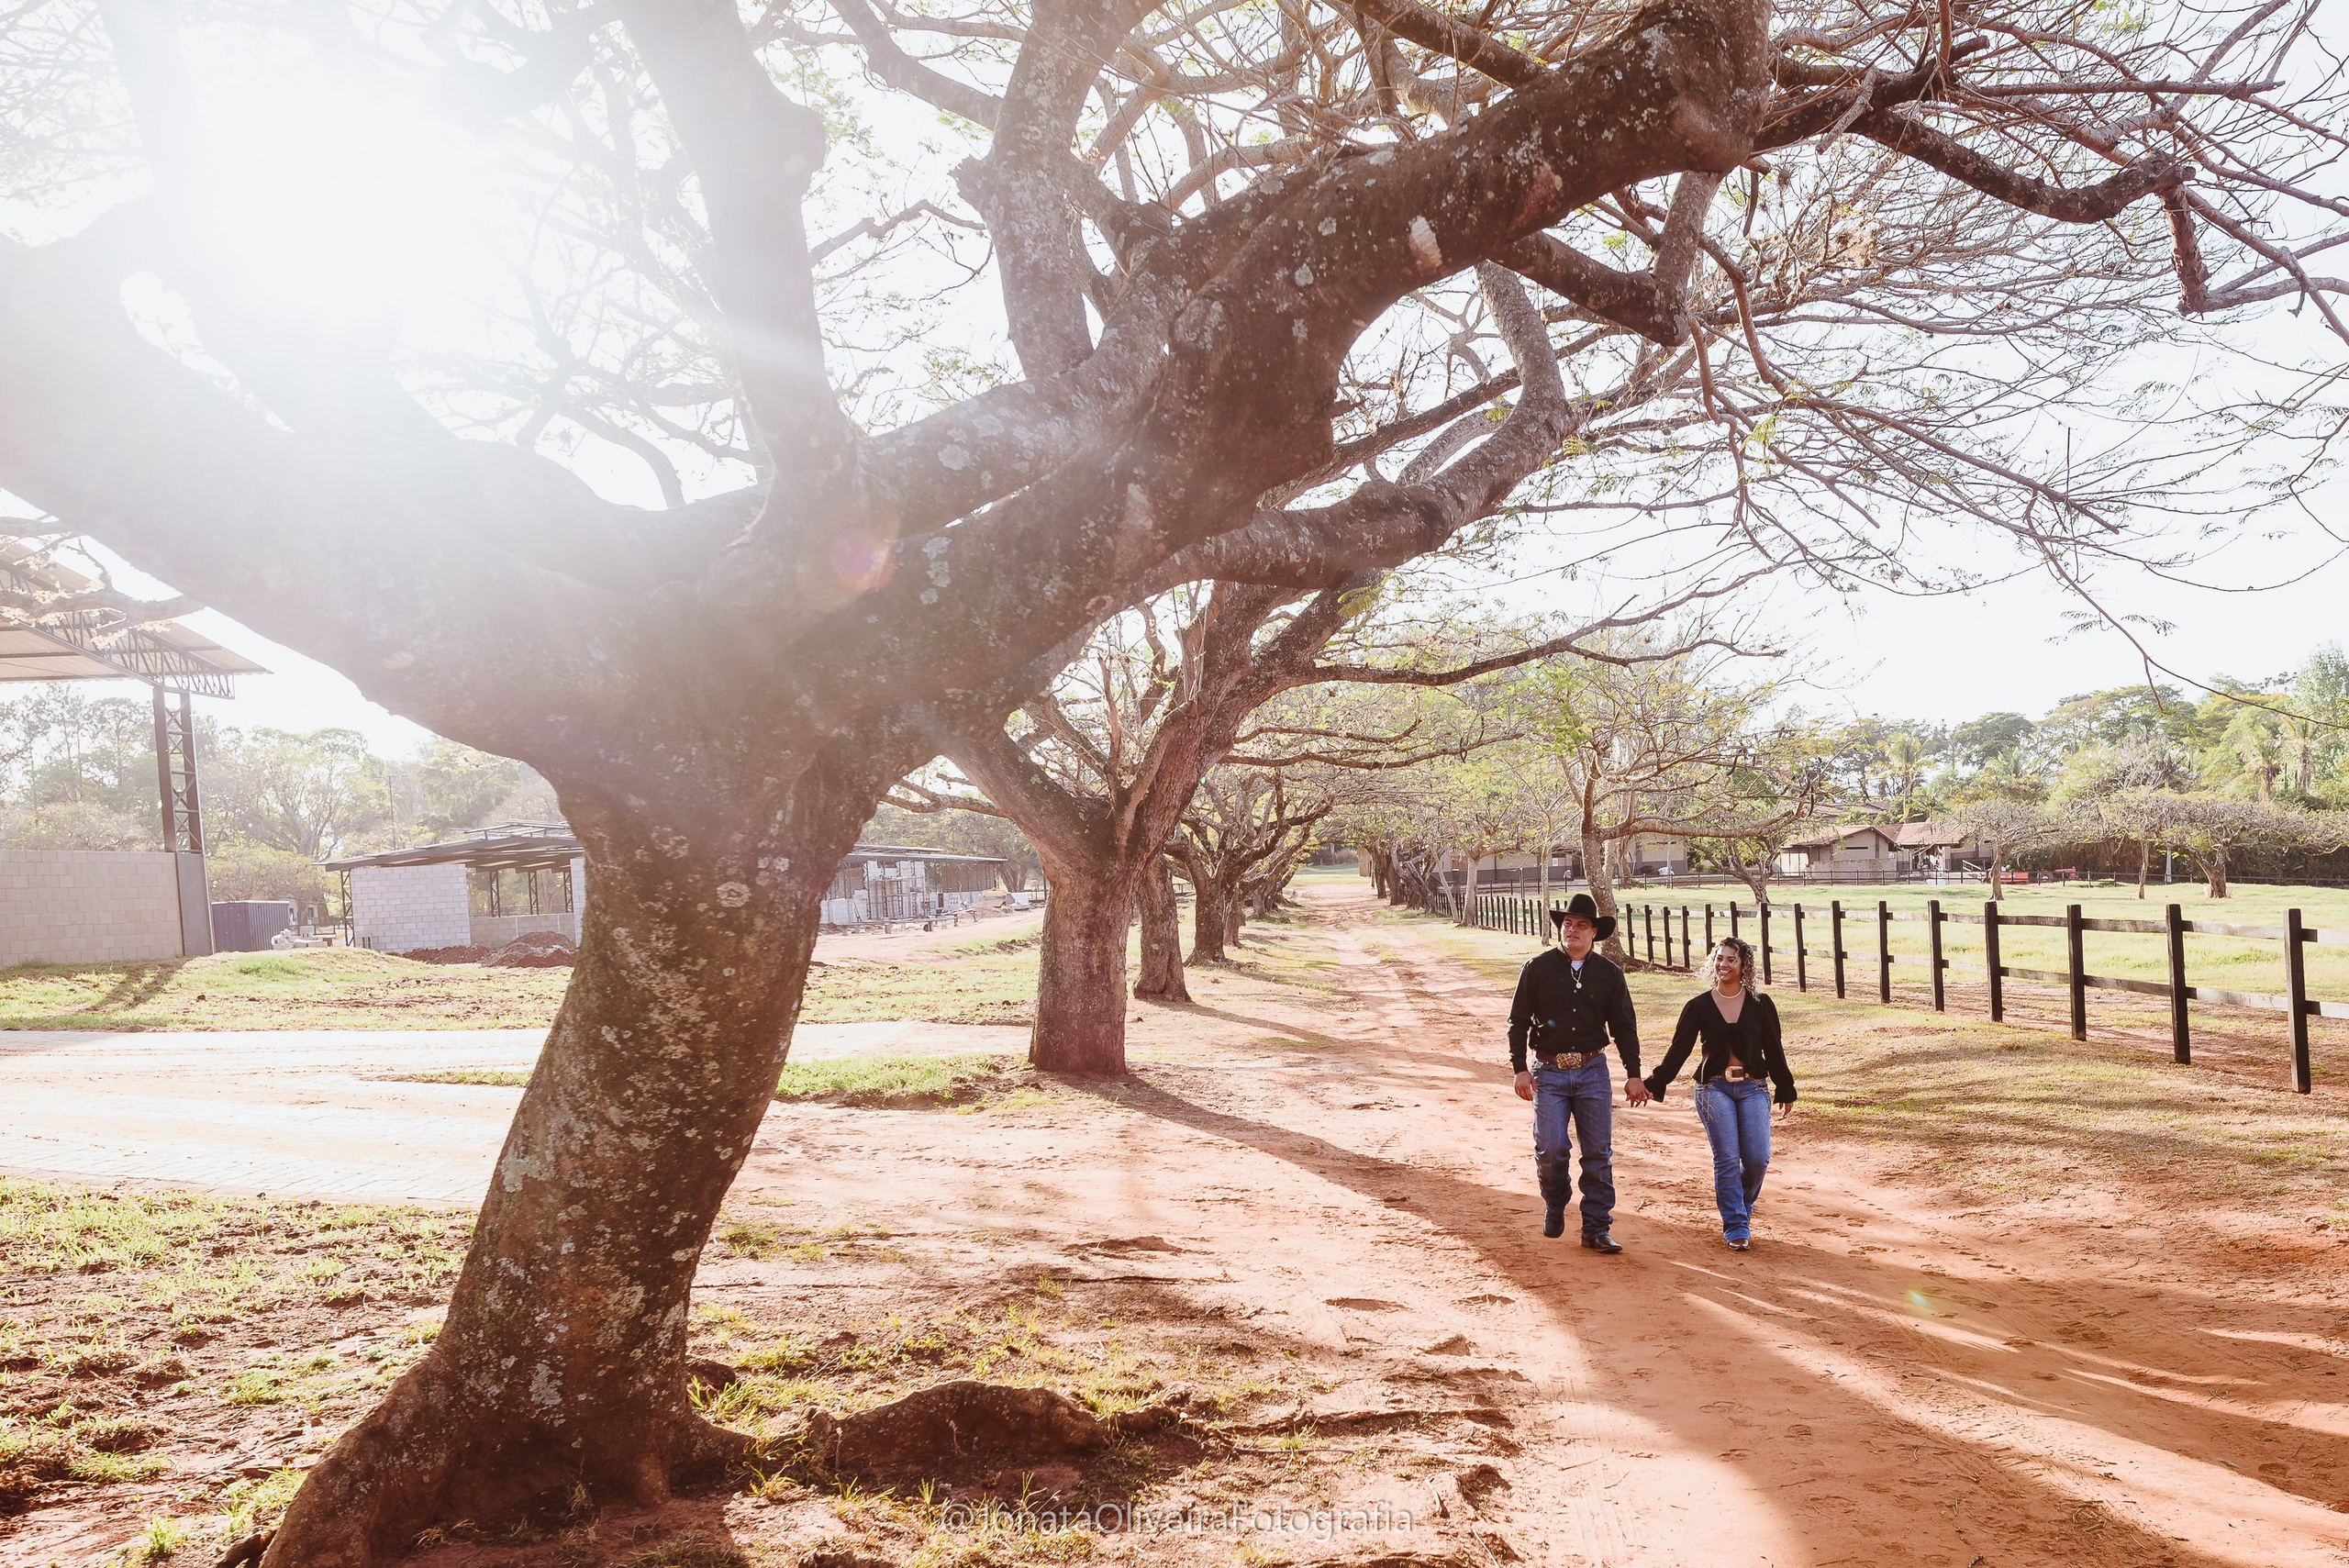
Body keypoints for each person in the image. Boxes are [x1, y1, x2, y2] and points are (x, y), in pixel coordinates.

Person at [1508, 893, 1649, 1252]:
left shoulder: (1609, 974)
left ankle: (1596, 1228)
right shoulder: (1536, 968)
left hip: (1592, 1070)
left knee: (1598, 1153)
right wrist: (1520, 1068)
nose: (1572, 930)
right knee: (1552, 1148)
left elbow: (1624, 1026)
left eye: (1580, 925)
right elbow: (1518, 1022)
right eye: (1567, 924)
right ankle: (1556, 1201)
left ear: (1594, 932)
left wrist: (1634, 1074)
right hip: (1548, 1070)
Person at [1642, 936, 1797, 1252]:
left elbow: (1774, 1048)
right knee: (1726, 1158)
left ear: (1744, 966)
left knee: (1757, 1159)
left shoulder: (1760, 1004)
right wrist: (1656, 1082)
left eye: (1731, 960)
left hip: (1753, 1087)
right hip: (1713, 1088)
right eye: (1719, 958)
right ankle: (1737, 1224)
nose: (1723, 965)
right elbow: (1679, 1050)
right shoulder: (1698, 1006)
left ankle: (1740, 1204)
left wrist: (1785, 1086)